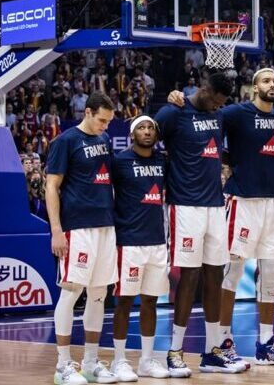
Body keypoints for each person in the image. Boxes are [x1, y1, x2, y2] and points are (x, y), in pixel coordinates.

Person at [167, 68, 274, 366]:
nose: (272, 85)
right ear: (253, 87)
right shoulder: (235, 113)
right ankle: (224, 340)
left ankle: (266, 343)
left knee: (271, 274)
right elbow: (203, 119)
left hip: (270, 202)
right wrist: (178, 98)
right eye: (266, 80)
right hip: (240, 199)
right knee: (233, 270)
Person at [155, 71, 246, 375]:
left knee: (214, 277)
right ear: (204, 89)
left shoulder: (218, 116)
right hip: (185, 206)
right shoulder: (173, 112)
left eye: (221, 104)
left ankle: (211, 351)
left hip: (214, 205)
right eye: (214, 101)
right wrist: (172, 95)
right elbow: (146, 139)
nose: (216, 108)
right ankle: (175, 351)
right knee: (189, 276)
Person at [46, 92, 117, 385]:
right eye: (102, 120)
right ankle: (63, 365)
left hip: (105, 226)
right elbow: (51, 187)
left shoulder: (104, 141)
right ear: (87, 112)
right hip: (77, 228)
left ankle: (90, 362)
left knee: (98, 294)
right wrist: (56, 230)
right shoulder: (65, 141)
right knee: (72, 291)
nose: (105, 126)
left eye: (109, 122)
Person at [110, 116, 170, 381]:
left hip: (157, 241)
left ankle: (146, 360)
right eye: (141, 128)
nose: (147, 132)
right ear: (132, 134)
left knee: (150, 301)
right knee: (124, 301)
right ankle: (119, 360)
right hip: (129, 242)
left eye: (150, 128)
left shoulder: (162, 161)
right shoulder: (119, 161)